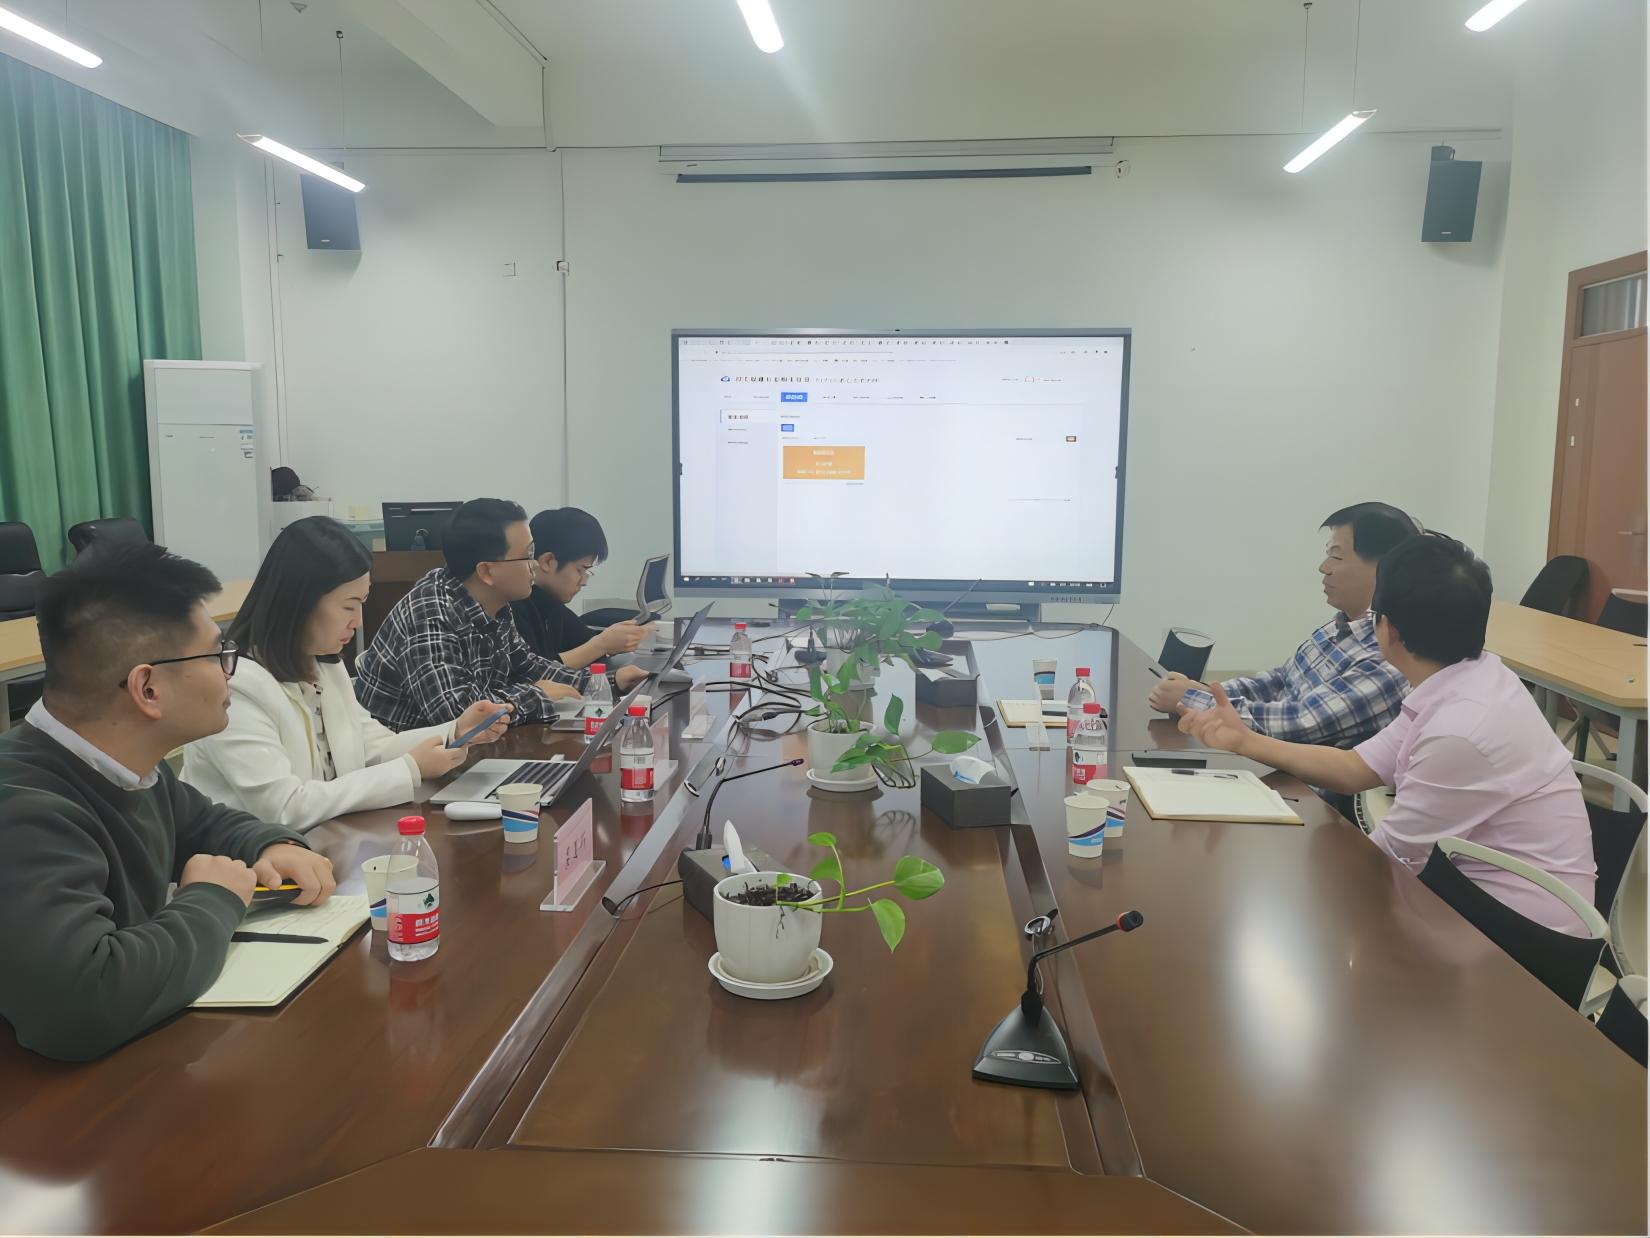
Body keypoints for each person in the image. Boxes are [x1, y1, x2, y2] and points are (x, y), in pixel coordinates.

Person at [0, 544, 335, 1061]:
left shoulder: (124, 763)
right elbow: (79, 1003)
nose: (229, 672)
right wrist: (213, 899)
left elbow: (206, 824)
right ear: (148, 689)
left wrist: (273, 844)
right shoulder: (23, 808)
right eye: (218, 655)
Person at [1180, 533, 1596, 935]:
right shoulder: (1470, 677)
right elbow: (1354, 767)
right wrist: (1244, 741)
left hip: (1524, 941)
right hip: (1477, 901)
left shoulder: (1460, 731)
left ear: (1388, 629)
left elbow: (1387, 862)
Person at [182, 517, 512, 830]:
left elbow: (373, 748)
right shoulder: (236, 686)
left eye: (361, 604)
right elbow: (285, 808)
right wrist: (409, 770)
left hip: (324, 844)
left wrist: (455, 731)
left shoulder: (324, 667)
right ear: (301, 602)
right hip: (248, 863)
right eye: (348, 605)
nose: (358, 621)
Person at [354, 498, 649, 730]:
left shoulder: (496, 602)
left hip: (464, 753)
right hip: (407, 767)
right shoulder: (430, 613)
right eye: (527, 555)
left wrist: (608, 683)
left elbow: (529, 666)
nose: (535, 565)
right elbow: (458, 715)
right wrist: (537, 695)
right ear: (487, 571)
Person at [1150, 502, 1420, 748]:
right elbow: (1280, 680)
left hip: (1303, 783)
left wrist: (1192, 699)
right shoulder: (1340, 625)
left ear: (1384, 567)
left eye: (1336, 557)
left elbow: (1302, 723)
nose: (1323, 567)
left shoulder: (1389, 655)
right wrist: (1206, 691)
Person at [511, 507, 653, 666]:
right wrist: (602, 645)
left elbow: (585, 640)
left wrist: (626, 637)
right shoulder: (514, 609)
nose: (584, 581)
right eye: (580, 570)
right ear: (547, 561)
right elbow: (537, 671)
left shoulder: (550, 604)